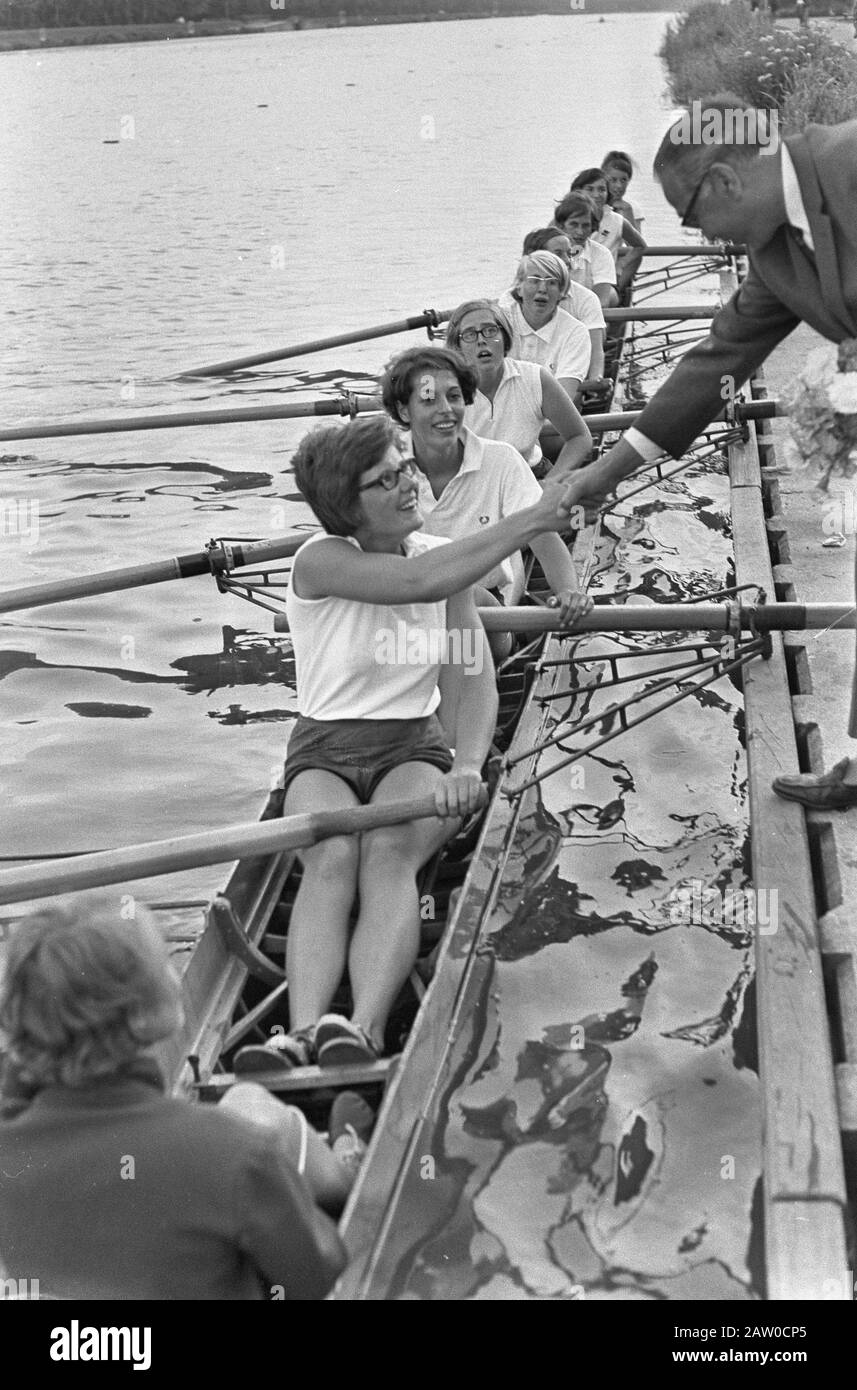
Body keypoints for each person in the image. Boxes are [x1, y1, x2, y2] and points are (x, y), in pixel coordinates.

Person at [235, 412, 588, 1073]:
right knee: (332, 855)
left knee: (389, 854)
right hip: (321, 752)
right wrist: (536, 517)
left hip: (410, 748)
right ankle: (301, 1033)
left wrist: (466, 763)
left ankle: (362, 1030)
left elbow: (471, 676)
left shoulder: (435, 560)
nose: (407, 483)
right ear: (347, 506)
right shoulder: (321, 559)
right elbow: (414, 586)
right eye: (385, 479)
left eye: (404, 468)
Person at [566, 99, 857, 810]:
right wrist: (601, 472)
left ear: (724, 180)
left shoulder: (848, 161)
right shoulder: (771, 252)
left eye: (690, 216)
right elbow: (714, 360)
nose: (695, 233)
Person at [0, 896, 353, 1300]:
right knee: (253, 1108)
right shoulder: (235, 1151)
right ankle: (346, 1156)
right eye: (163, 962)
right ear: (145, 1016)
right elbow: (319, 1275)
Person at [445, 299, 593, 476]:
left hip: (530, 475)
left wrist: (551, 483)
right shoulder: (441, 387)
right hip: (472, 480)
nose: (482, 340)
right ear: (458, 346)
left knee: (577, 506)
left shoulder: (535, 378)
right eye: (469, 334)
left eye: (490, 330)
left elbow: (580, 437)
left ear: (505, 338)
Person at [497, 250, 592, 397]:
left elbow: (563, 398)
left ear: (562, 292)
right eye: (534, 280)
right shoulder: (497, 322)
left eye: (551, 283)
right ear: (519, 287)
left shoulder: (576, 332)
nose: (542, 289)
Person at [521, 227, 607, 380]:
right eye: (559, 253)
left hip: (570, 372)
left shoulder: (587, 298)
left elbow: (595, 350)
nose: (568, 260)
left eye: (569, 253)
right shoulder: (510, 300)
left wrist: (596, 378)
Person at [569, 166, 646, 292]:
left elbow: (640, 246)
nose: (596, 195)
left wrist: (620, 266)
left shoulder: (616, 220)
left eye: (601, 190)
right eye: (590, 189)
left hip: (604, 281)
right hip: (574, 280)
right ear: (578, 191)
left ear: (608, 192)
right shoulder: (565, 218)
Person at [552, 192, 619, 308]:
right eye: (573, 225)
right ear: (561, 225)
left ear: (593, 227)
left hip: (587, 315)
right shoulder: (546, 251)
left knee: (612, 295)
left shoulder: (601, 254)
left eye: (585, 225)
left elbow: (601, 302)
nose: (580, 232)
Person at [601, 150, 644, 234]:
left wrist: (628, 211)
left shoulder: (632, 208)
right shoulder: (593, 205)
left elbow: (637, 245)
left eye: (623, 180)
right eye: (613, 180)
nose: (619, 185)